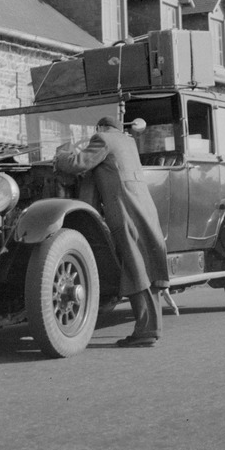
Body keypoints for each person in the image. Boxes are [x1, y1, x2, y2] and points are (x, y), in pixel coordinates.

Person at [54, 116, 170, 348]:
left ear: (100, 128)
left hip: (125, 211)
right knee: (147, 265)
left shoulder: (102, 139)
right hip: (144, 208)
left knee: (135, 267)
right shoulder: (128, 142)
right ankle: (152, 328)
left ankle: (146, 330)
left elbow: (79, 163)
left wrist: (59, 157)